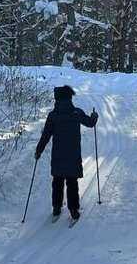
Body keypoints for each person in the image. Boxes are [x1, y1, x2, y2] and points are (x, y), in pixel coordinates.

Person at [35, 84, 97, 222]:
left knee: (57, 181)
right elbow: (90, 123)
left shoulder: (53, 116)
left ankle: (56, 208)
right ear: (69, 98)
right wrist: (94, 116)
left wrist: (38, 151)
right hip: (73, 155)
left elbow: (45, 135)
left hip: (58, 155)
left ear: (57, 99)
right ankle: (74, 210)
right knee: (72, 182)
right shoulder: (76, 113)